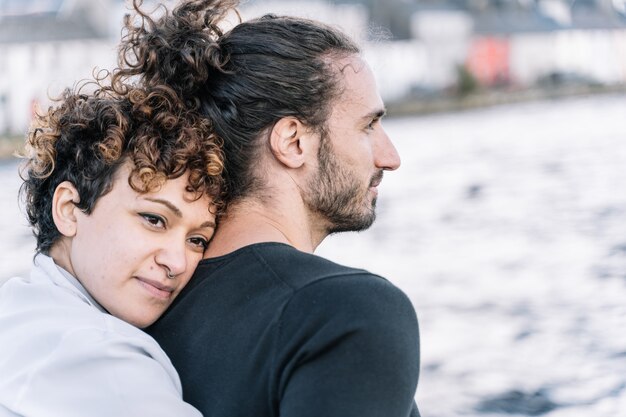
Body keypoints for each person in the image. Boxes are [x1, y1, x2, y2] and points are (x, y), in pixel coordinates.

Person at [117, 1, 421, 416]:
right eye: (368, 125)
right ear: (293, 142)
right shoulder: (347, 314)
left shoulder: (139, 306)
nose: (390, 156)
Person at [0, 81, 224, 416]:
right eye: (154, 219)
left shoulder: (16, 308)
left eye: (197, 240)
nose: (177, 262)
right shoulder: (108, 362)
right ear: (68, 209)